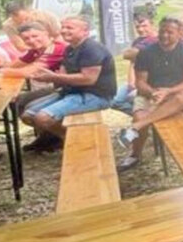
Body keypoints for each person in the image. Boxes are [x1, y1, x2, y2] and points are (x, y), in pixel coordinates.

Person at [115, 17, 183, 171]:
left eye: (170, 32)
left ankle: (136, 127)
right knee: (139, 115)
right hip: (150, 92)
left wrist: (169, 91)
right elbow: (140, 83)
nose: (164, 35)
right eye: (162, 31)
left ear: (179, 34)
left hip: (176, 93)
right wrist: (154, 93)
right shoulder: (146, 53)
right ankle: (135, 155)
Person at [21, 16, 117, 146]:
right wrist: (46, 75)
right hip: (71, 92)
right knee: (27, 115)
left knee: (42, 118)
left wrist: (53, 77)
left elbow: (88, 79)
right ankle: (68, 137)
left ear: (85, 31)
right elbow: (62, 74)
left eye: (70, 28)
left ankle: (77, 142)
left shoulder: (92, 49)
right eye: (63, 27)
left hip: (96, 96)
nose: (64, 31)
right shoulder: (69, 49)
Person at [110, 13, 157, 114]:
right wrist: (131, 82)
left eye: (144, 26)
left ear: (152, 25)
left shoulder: (156, 40)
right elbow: (132, 63)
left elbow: (126, 54)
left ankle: (146, 116)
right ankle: (145, 116)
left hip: (149, 82)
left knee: (133, 99)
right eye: (137, 27)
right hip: (135, 80)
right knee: (114, 101)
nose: (140, 29)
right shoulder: (138, 41)